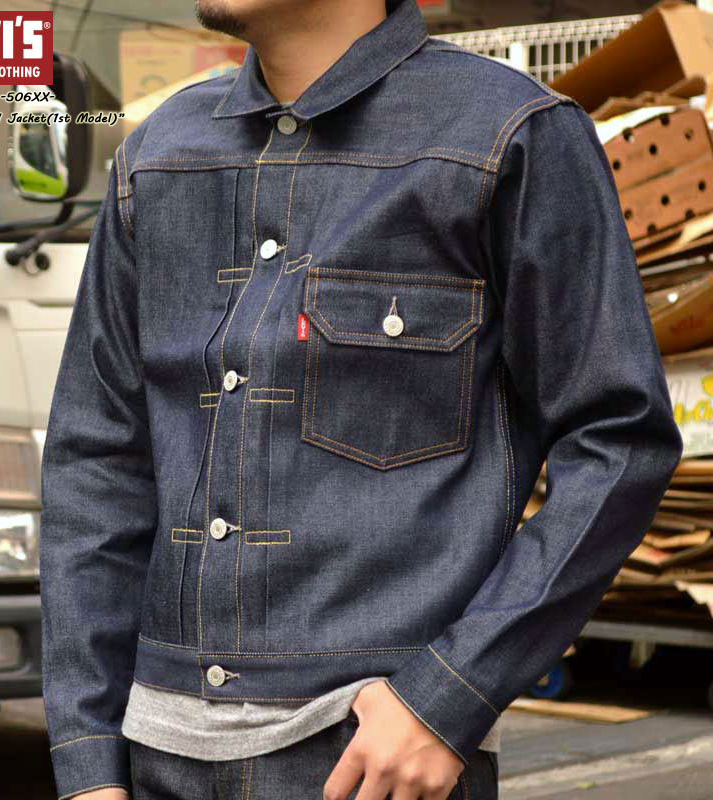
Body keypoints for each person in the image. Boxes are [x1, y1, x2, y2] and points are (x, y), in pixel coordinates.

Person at [39, 0, 684, 798]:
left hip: (369, 763)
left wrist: (449, 697)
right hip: (154, 759)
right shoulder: (159, 155)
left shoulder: (507, 135)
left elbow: (619, 437)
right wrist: (87, 758)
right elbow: (97, 461)